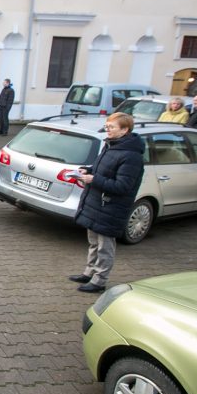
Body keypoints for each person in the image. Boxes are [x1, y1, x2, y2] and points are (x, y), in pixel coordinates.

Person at [68, 112, 145, 293]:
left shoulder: (131, 156)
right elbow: (100, 169)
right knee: (94, 242)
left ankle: (100, 280)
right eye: (107, 126)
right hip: (96, 203)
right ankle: (89, 272)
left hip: (111, 207)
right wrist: (86, 171)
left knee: (105, 247)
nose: (107, 130)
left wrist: (92, 179)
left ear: (125, 130)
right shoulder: (111, 146)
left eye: (111, 127)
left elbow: (123, 186)